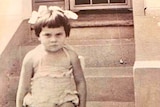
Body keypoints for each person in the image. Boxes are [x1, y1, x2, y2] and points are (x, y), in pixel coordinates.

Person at [16, 5, 87, 107]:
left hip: (64, 98)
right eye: (47, 35)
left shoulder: (70, 55)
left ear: (66, 34)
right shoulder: (32, 57)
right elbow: (23, 87)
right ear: (39, 36)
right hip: (40, 100)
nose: (53, 40)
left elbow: (80, 82)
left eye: (58, 34)